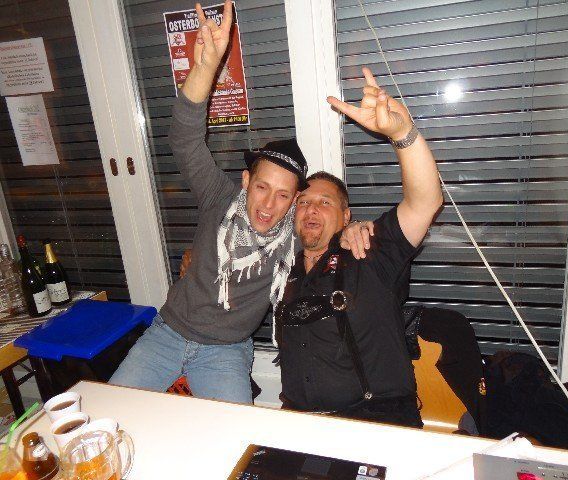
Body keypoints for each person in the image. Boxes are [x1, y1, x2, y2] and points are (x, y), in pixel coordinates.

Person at [110, 1, 365, 403]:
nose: (268, 204)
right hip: (166, 335)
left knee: (237, 434)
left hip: (226, 352)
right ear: (246, 181)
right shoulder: (219, 198)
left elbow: (330, 226)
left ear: (294, 200)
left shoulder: (295, 234)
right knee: (110, 416)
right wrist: (206, 67)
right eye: (262, 187)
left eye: (284, 195)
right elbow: (184, 140)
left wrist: (355, 229)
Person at [275, 67, 443, 428]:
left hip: (375, 424)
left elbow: (424, 203)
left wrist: (402, 134)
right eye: (303, 202)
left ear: (346, 215)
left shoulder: (366, 251)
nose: (311, 209)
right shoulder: (283, 271)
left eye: (325, 202)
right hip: (298, 424)